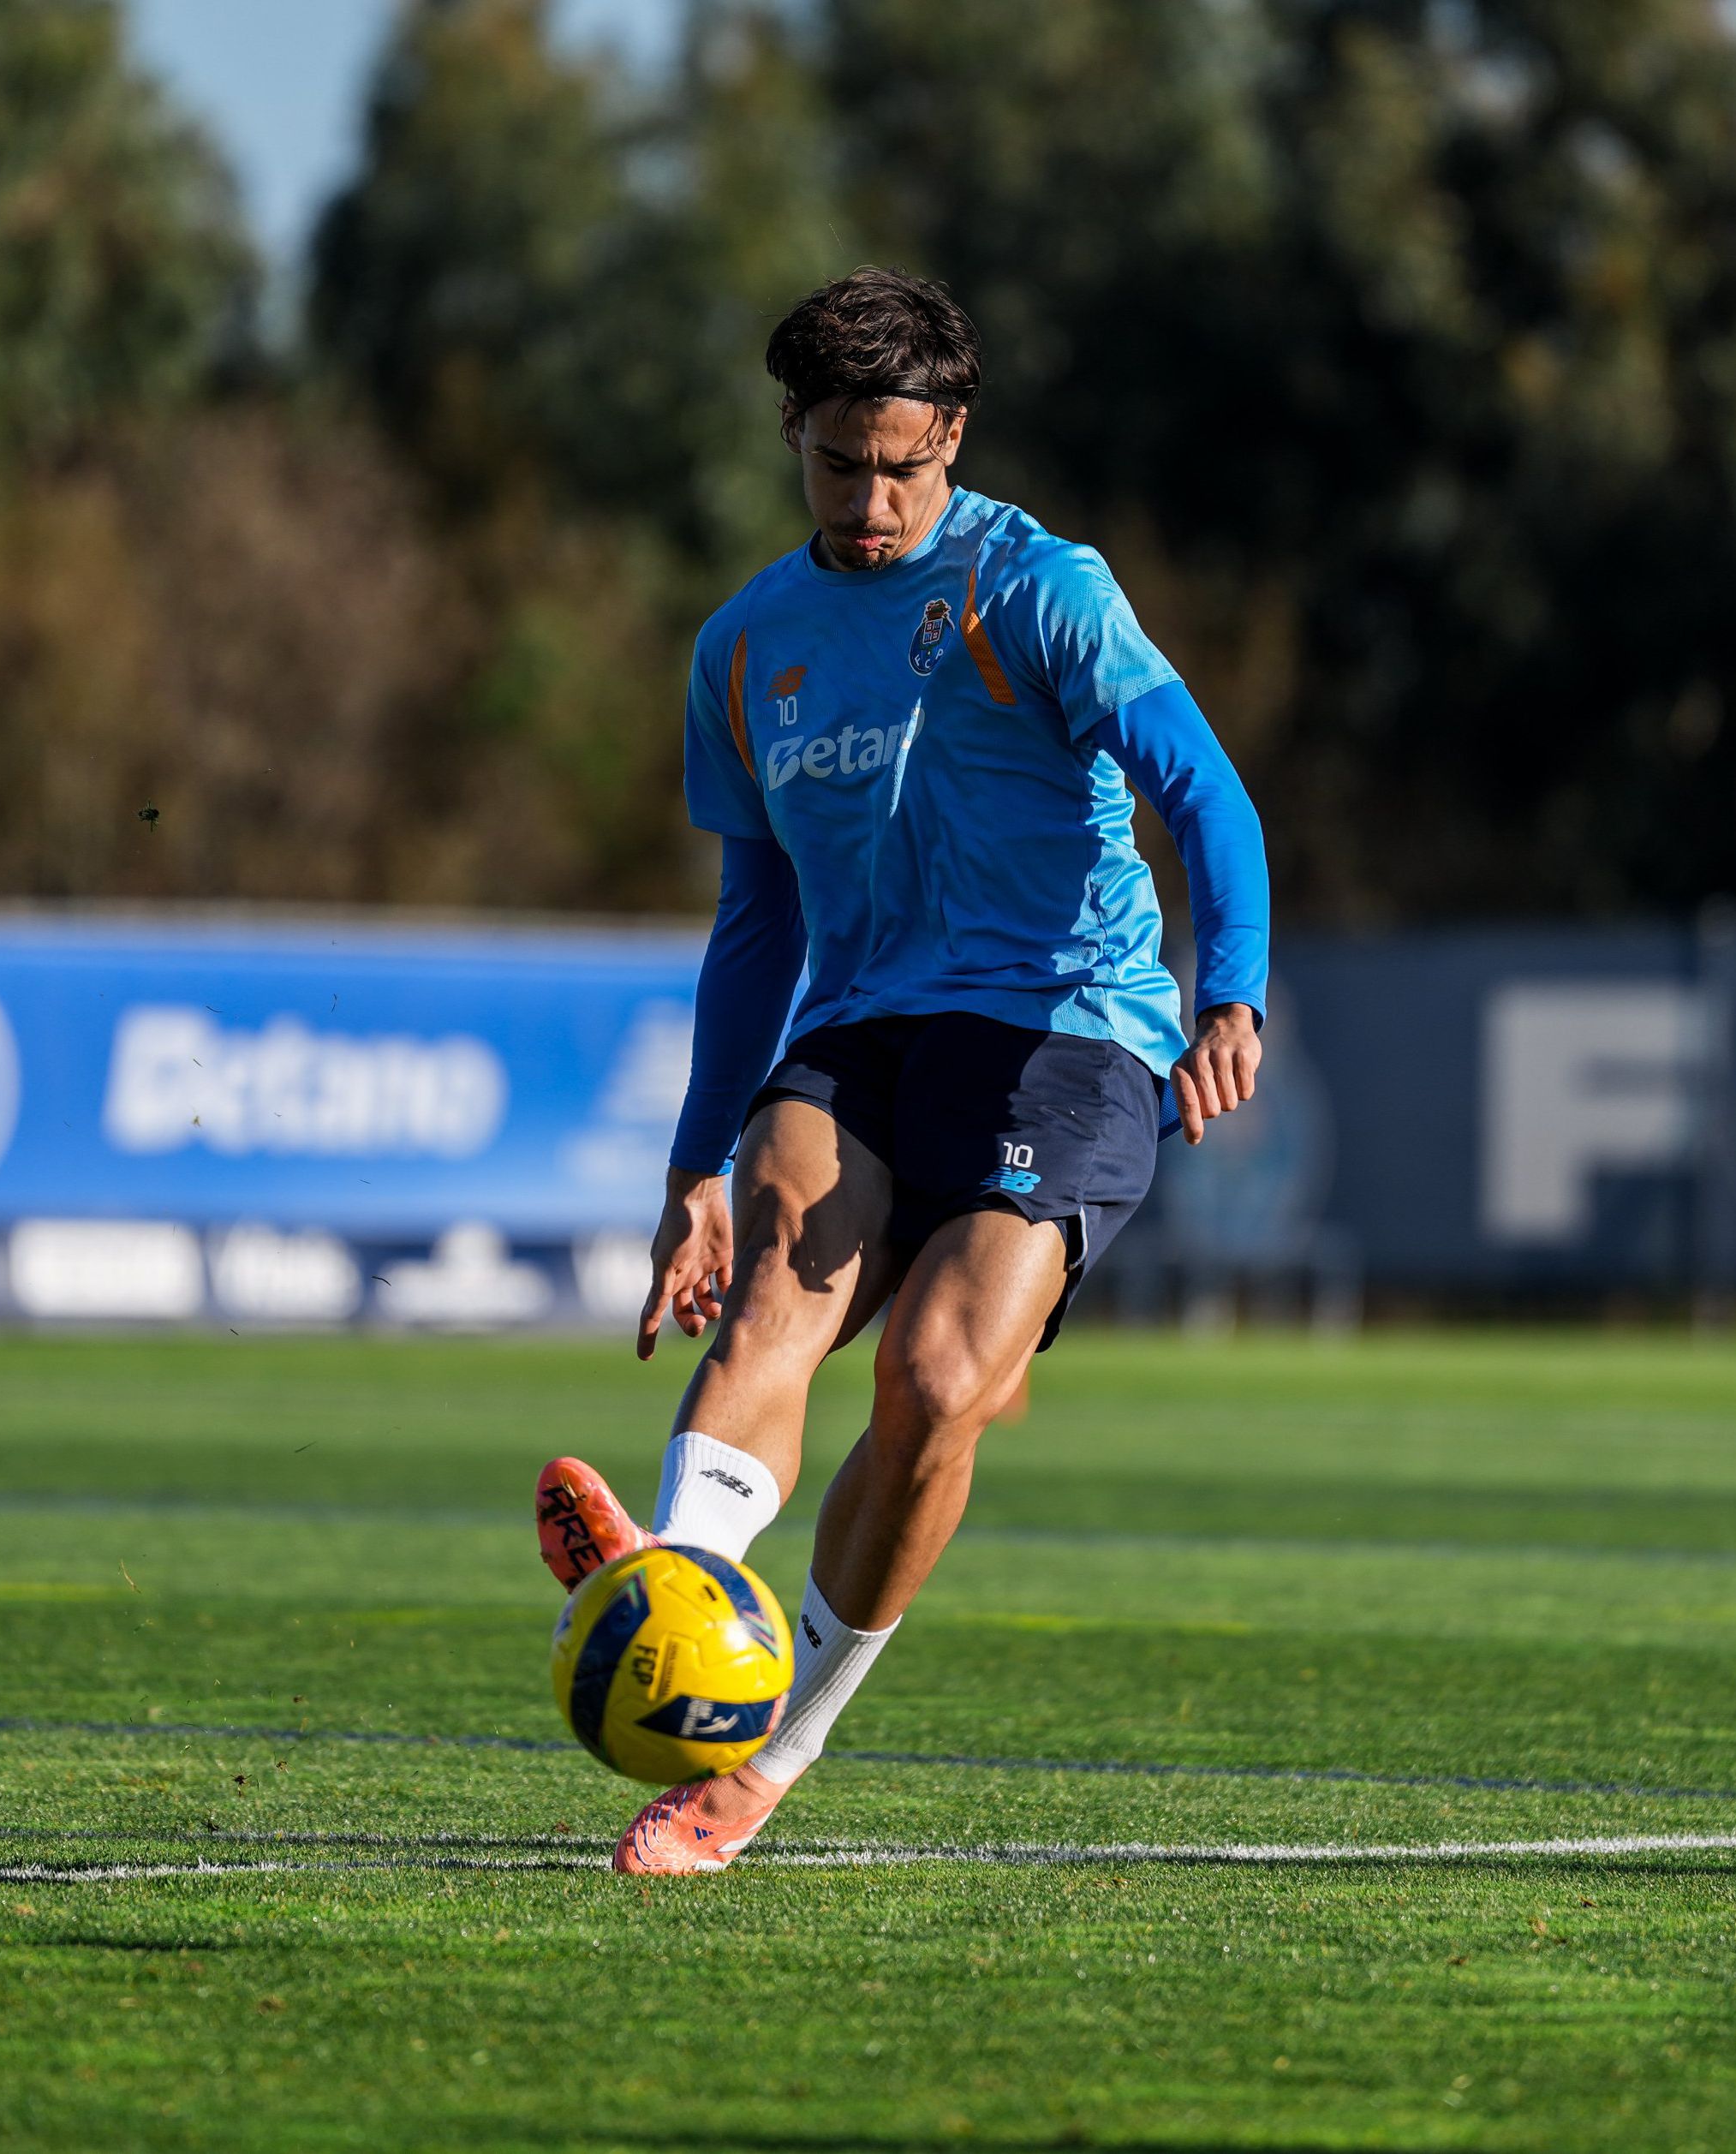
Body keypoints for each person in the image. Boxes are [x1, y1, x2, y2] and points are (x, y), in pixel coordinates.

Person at [533, 267, 1271, 1876]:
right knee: (777, 1304)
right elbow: (755, 927)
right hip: (860, 1032)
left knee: (942, 1386)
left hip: (1069, 1034)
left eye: (906, 469)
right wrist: (694, 1166)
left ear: (954, 442)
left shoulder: (1044, 590)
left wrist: (1235, 998)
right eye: (840, 464)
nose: (872, 503)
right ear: (792, 429)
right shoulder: (744, 648)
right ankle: (678, 1585)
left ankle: (760, 1755)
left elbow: (1206, 793)